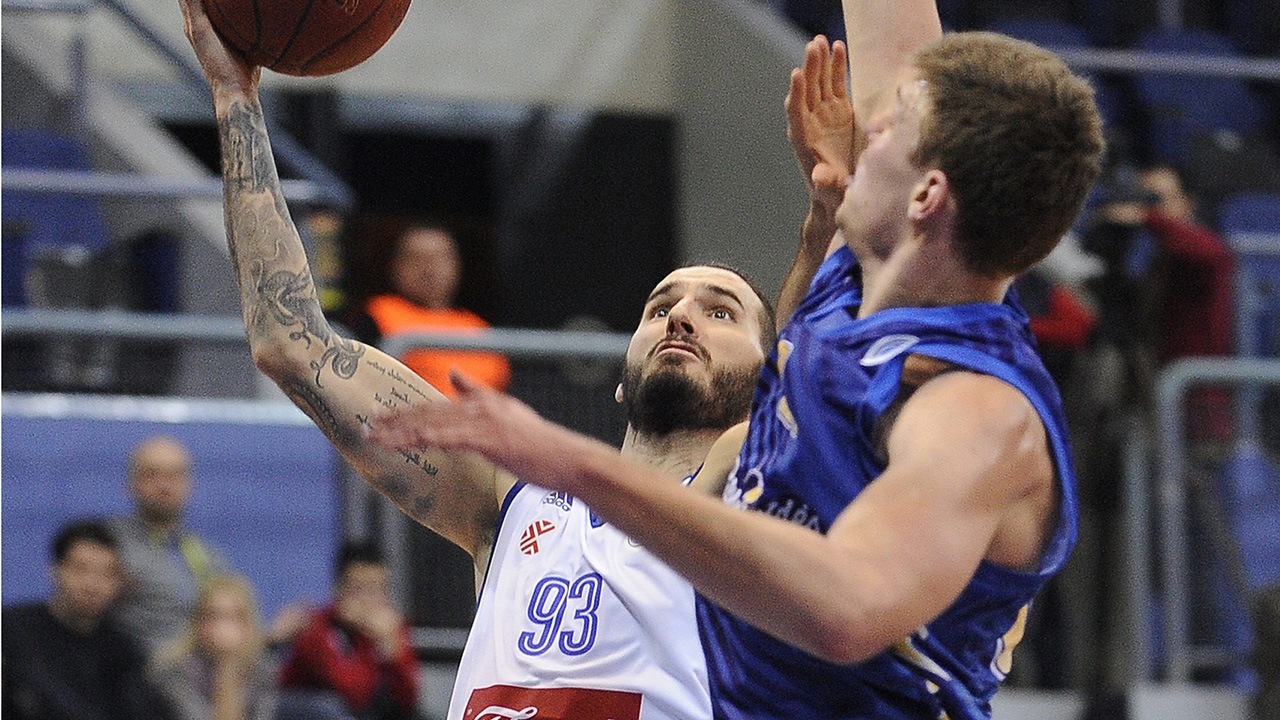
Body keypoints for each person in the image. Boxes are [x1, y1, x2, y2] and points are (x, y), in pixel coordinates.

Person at [366, 1, 1107, 717]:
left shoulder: (974, 411)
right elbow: (905, 56)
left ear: (925, 196)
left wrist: (570, 463)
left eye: (882, 130)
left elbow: (848, 606)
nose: (863, 127)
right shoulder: (869, 277)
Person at [174, 0, 853, 715]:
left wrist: (826, 222)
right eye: (660, 307)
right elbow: (292, 345)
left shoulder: (744, 493)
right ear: (620, 382)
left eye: (720, 312)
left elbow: (798, 388)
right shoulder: (511, 498)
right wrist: (235, 98)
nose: (681, 316)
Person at [2, 519, 172, 720]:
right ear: (55, 570)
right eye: (81, 569)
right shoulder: (12, 630)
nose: (92, 584)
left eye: (106, 574)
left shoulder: (123, 651)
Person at [345, 224, 511, 400]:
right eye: (416, 259)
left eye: (440, 258)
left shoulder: (480, 328)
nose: (429, 270)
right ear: (395, 266)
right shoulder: (378, 315)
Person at [110, 435, 234, 651]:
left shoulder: (207, 554)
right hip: (137, 666)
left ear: (189, 484)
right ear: (131, 483)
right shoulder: (109, 546)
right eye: (152, 475)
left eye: (175, 475)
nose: (164, 485)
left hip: (201, 666)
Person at [278, 542, 419, 720]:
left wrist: (393, 652)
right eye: (362, 589)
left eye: (379, 589)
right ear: (340, 590)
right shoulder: (317, 628)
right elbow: (354, 694)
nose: (373, 600)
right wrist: (373, 641)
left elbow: (409, 699)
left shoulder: (391, 628)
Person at [150, 574, 278, 720]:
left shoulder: (262, 671)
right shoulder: (172, 671)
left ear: (248, 625)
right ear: (199, 623)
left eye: (234, 617)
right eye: (215, 616)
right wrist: (227, 664)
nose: (224, 627)